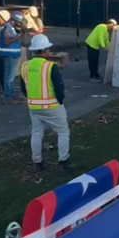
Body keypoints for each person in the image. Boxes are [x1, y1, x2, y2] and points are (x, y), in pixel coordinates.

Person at [23, 34, 71, 171]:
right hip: (52, 106)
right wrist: (60, 101)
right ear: (44, 51)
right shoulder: (51, 66)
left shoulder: (25, 66)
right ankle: (63, 161)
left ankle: (37, 162)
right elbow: (59, 87)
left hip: (33, 106)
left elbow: (23, 87)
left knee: (37, 132)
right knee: (63, 131)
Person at [0, 11, 26, 103]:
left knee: (11, 76)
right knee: (9, 77)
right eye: (19, 22)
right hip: (9, 55)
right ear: (15, 20)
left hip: (13, 55)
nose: (20, 24)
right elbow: (7, 42)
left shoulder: (12, 28)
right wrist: (17, 37)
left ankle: (12, 94)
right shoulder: (7, 28)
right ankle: (8, 97)